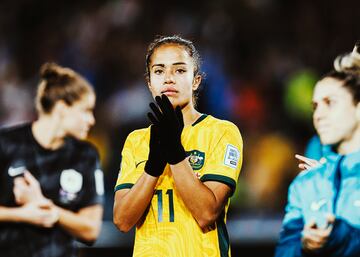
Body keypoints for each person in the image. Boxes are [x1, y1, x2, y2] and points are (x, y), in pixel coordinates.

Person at [113, 35, 243, 257]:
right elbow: (123, 221)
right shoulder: (136, 141)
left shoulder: (221, 132)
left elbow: (206, 213)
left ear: (196, 81)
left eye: (180, 70)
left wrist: (174, 153)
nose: (168, 78)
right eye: (159, 71)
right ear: (149, 82)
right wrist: (153, 166)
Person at [0, 63, 104, 257]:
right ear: (63, 107)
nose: (91, 120)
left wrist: (48, 208)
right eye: (86, 110)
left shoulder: (85, 155)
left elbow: (91, 230)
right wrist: (22, 215)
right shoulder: (6, 144)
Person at [275, 44, 360, 257]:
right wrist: (305, 246)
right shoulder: (306, 184)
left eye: (329, 103)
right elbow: (286, 249)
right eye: (315, 107)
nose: (319, 115)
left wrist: (340, 235)